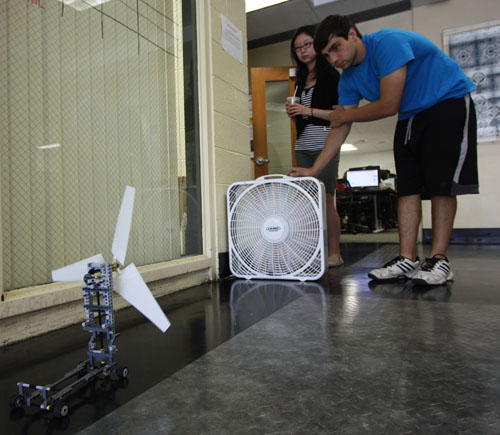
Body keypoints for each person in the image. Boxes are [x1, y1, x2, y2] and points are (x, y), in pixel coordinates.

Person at [288, 15, 479, 285]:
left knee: (440, 183)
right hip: (410, 113)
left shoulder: (387, 43)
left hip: (447, 99)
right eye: (327, 56)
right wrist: (314, 169)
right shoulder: (349, 80)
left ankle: (439, 259)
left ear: (353, 34)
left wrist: (343, 116)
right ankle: (407, 258)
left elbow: (389, 104)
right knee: (408, 186)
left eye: (336, 48)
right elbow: (340, 128)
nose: (334, 59)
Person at [286, 25, 343, 267]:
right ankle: (311, 252)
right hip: (303, 143)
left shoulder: (330, 75)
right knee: (307, 201)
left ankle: (334, 253)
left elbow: (337, 115)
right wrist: (295, 113)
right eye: (298, 48)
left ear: (317, 46)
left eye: (307, 44)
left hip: (324, 141)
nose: (303, 50)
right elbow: (304, 113)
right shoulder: (300, 79)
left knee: (326, 197)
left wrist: (306, 110)